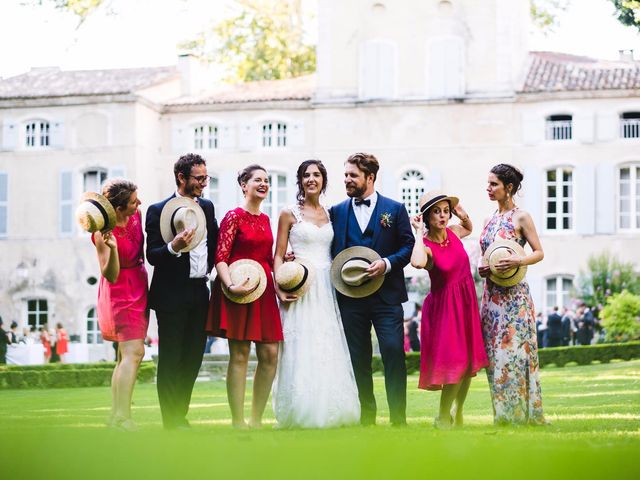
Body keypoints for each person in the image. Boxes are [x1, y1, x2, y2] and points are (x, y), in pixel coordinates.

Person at [272, 159, 360, 428]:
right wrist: (279, 286)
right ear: (300, 180)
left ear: (323, 180)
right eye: (306, 175)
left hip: (326, 286)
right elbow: (277, 256)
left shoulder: (332, 214)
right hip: (300, 282)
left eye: (317, 175)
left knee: (326, 343)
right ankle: (300, 408)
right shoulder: (288, 213)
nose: (312, 179)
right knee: (299, 344)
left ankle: (333, 407)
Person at [329, 152, 414, 426]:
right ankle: (367, 416)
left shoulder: (395, 209)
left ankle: (398, 418)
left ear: (370, 177)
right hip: (350, 297)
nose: (347, 180)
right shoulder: (337, 212)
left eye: (353, 175)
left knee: (392, 351)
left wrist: (387, 263)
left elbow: (407, 246)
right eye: (345, 175)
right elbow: (328, 250)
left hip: (386, 297)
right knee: (358, 357)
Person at [146, 153, 219, 430]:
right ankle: (171, 419)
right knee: (171, 358)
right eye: (199, 178)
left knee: (193, 357)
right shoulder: (156, 210)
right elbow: (152, 255)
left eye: (206, 177)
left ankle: (181, 412)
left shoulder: (208, 207)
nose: (204, 183)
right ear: (181, 178)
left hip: (201, 292)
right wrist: (173, 247)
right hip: (171, 296)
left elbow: (214, 240)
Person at [206, 164, 282, 429]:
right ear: (244, 185)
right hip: (236, 290)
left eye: (267, 180)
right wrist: (230, 286)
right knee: (239, 355)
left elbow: (267, 258)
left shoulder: (266, 220)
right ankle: (238, 421)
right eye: (257, 180)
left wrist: (282, 263)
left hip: (264, 291)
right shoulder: (233, 217)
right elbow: (221, 257)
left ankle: (257, 419)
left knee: (271, 354)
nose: (263, 184)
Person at [410, 191, 488, 428]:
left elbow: (469, 227)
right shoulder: (426, 246)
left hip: (465, 302)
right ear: (426, 216)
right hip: (445, 309)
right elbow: (417, 262)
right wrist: (417, 233)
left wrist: (462, 214)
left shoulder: (453, 233)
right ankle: (443, 416)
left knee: (468, 362)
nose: (443, 216)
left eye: (446, 210)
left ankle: (458, 410)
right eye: (437, 211)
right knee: (456, 362)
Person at [478, 163, 546, 426]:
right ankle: (503, 415)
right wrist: (484, 268)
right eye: (488, 183)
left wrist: (518, 262)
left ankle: (522, 413)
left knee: (516, 354)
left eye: (493, 184)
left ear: (509, 187)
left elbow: (539, 252)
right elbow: (486, 255)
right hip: (491, 296)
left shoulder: (522, 217)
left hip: (515, 297)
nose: (488, 188)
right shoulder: (488, 220)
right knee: (494, 355)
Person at [91, 178, 149, 431]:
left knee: (125, 355)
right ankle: (124, 417)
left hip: (139, 284)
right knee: (134, 353)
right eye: (134, 202)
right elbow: (110, 274)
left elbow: (141, 249)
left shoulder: (135, 216)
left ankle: (116, 416)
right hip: (119, 291)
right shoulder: (103, 233)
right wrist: (113, 248)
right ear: (118, 209)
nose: (138, 204)